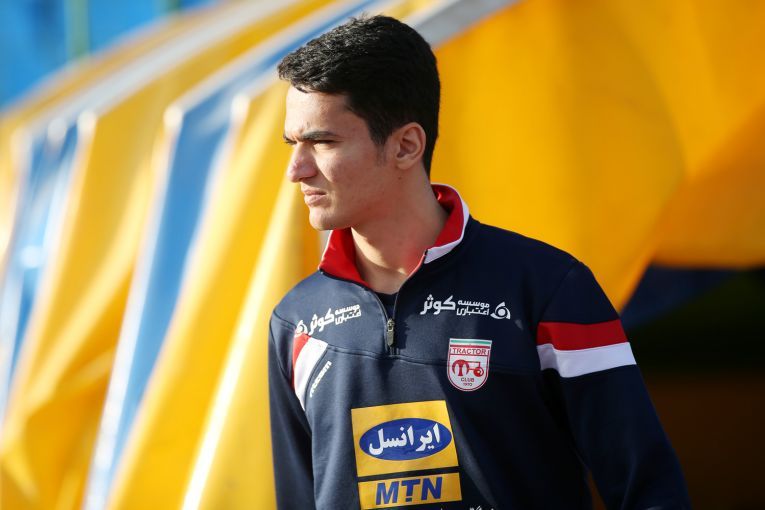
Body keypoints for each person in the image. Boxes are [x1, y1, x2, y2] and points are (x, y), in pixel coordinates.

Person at [268, 14, 690, 510]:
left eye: (323, 142)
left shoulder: (549, 288)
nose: (297, 170)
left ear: (406, 145)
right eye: (293, 144)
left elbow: (649, 492)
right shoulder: (296, 321)